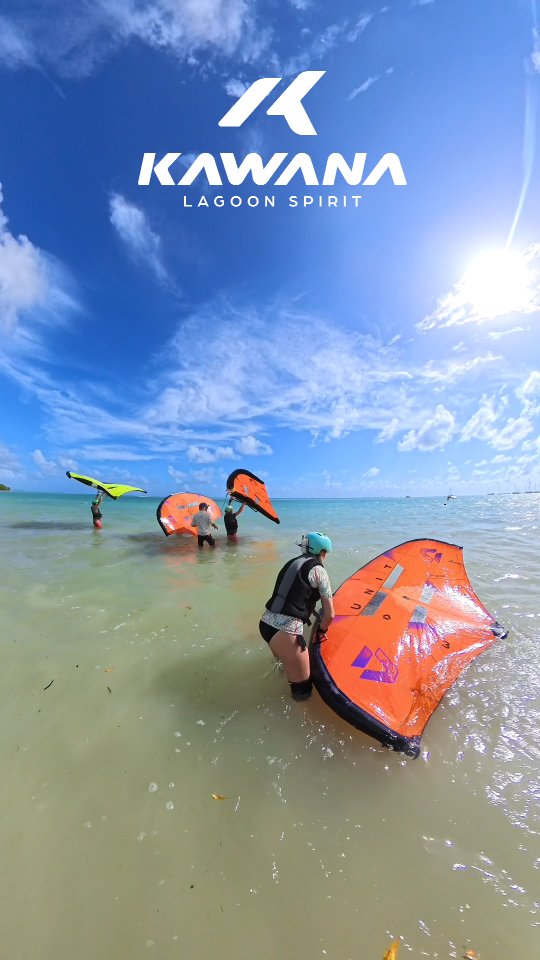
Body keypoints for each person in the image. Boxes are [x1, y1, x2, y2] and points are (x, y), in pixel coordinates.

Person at [259, 532, 334, 702]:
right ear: (322, 552)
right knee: (303, 691)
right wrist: (320, 632)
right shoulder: (319, 571)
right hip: (286, 632)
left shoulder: (291, 563)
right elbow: (330, 614)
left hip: (266, 624)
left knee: (283, 667)